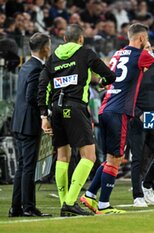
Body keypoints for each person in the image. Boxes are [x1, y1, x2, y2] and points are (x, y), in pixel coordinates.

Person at [80, 23, 154, 214]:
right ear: (142, 39)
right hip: (125, 111)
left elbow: (107, 78)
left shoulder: (118, 54)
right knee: (119, 158)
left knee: (115, 157)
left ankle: (91, 195)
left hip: (107, 109)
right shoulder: (141, 56)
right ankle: (106, 203)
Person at [38, 24, 117, 217]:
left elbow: (42, 86)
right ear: (81, 39)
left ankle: (65, 201)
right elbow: (109, 75)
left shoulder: (53, 58)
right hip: (75, 107)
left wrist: (43, 115)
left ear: (64, 39)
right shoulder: (85, 53)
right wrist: (102, 83)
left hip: (56, 109)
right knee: (89, 156)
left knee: (63, 156)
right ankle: (71, 202)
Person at [9, 32, 52, 217]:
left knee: (22, 166)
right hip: (29, 124)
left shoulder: (26, 66)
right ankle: (28, 207)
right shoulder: (37, 68)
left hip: (18, 122)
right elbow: (31, 96)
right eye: (49, 45)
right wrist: (46, 112)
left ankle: (16, 207)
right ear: (44, 48)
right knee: (28, 167)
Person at [128, 42, 154, 207]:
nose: (150, 50)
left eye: (151, 47)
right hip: (137, 117)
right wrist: (138, 114)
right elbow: (127, 96)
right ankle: (137, 195)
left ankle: (147, 185)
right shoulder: (133, 70)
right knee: (138, 158)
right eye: (146, 48)